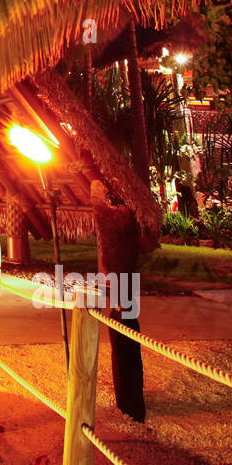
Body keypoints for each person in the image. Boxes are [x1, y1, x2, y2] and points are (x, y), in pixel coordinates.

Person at [91, 180, 147, 422]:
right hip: (122, 299)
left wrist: (96, 186)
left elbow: (102, 212)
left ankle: (131, 406)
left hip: (123, 302)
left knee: (124, 341)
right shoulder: (124, 221)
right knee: (125, 344)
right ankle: (130, 403)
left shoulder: (121, 219)